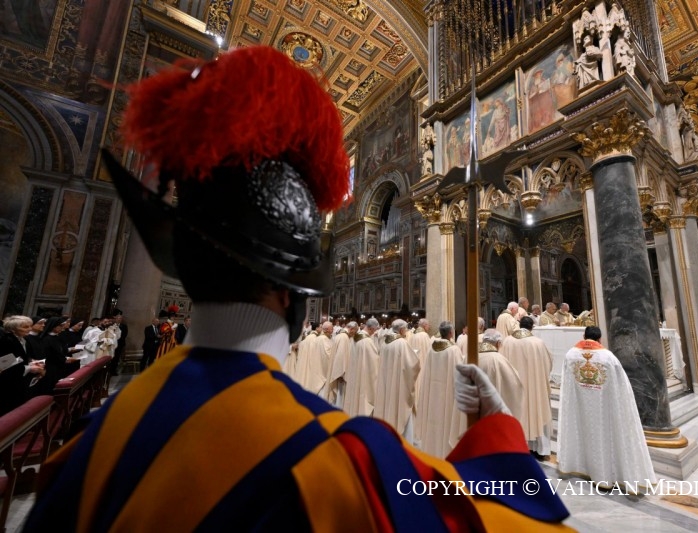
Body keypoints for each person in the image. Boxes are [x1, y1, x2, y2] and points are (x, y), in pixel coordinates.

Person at [24, 46, 568, 531]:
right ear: (295, 293)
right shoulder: (342, 465)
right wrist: (498, 430)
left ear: (183, 266)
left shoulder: (88, 451)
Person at [558, 326, 655, 491]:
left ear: (584, 336)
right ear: (599, 339)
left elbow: (567, 385)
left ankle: (581, 467)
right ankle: (606, 475)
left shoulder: (570, 355)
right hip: (603, 407)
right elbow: (621, 386)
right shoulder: (608, 357)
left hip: (579, 407)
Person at [500, 316, 553, 458]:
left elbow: (501, 362)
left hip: (514, 387)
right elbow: (548, 363)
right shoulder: (537, 343)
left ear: (519, 325)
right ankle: (539, 449)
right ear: (532, 327)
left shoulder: (507, 341)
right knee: (536, 413)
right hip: (534, 387)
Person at [416, 321, 466, 457]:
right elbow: (459, 372)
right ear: (451, 333)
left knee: (434, 420)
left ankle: (432, 450)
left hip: (433, 394)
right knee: (446, 421)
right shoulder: (453, 350)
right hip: (448, 393)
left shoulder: (432, 349)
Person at [374, 319, 420, 441]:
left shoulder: (385, 342)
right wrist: (416, 357)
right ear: (401, 329)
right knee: (398, 405)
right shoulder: (401, 343)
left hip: (387, 381)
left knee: (388, 402)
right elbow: (412, 365)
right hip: (398, 383)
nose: (406, 331)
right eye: (405, 329)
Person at [342, 317, 381, 417]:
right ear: (371, 328)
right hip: (364, 375)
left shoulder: (356, 338)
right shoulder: (367, 341)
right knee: (363, 398)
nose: (374, 333)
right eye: (374, 330)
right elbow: (373, 364)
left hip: (355, 373)